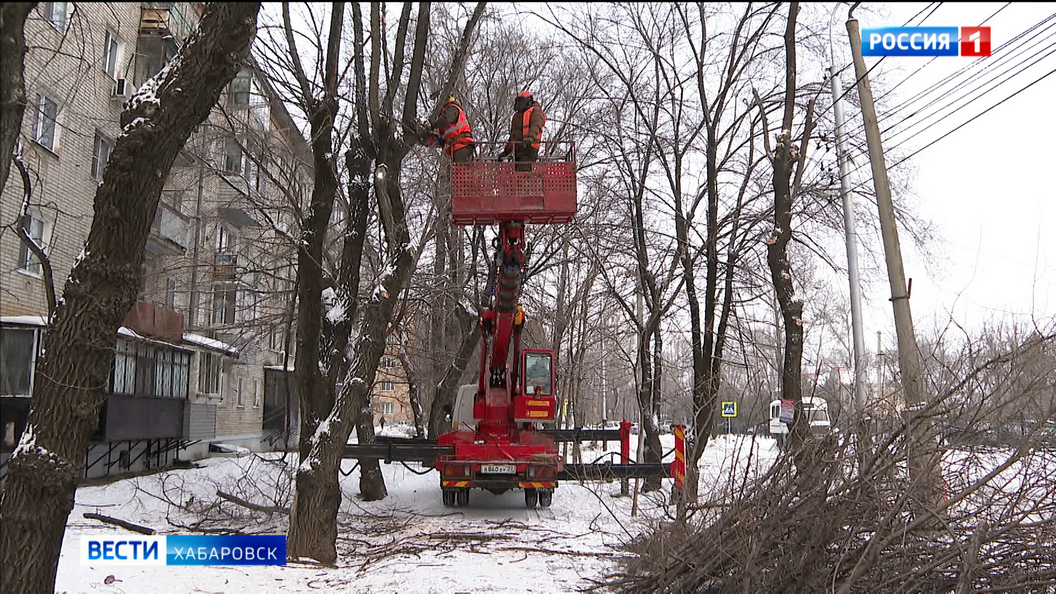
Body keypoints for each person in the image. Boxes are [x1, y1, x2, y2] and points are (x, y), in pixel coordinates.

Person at [497, 91, 545, 171]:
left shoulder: (535, 111)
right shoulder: (516, 116)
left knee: (523, 173)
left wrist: (530, 138)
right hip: (518, 149)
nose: (519, 104)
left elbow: (536, 126)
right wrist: (506, 151)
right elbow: (513, 136)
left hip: (529, 148)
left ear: (528, 101)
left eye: (521, 101)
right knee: (518, 174)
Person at [421, 95, 476, 163]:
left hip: (462, 144)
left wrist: (432, 125)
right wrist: (431, 139)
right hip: (456, 146)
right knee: (457, 170)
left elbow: (446, 120)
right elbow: (443, 140)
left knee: (460, 170)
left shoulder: (452, 108)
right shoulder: (443, 119)